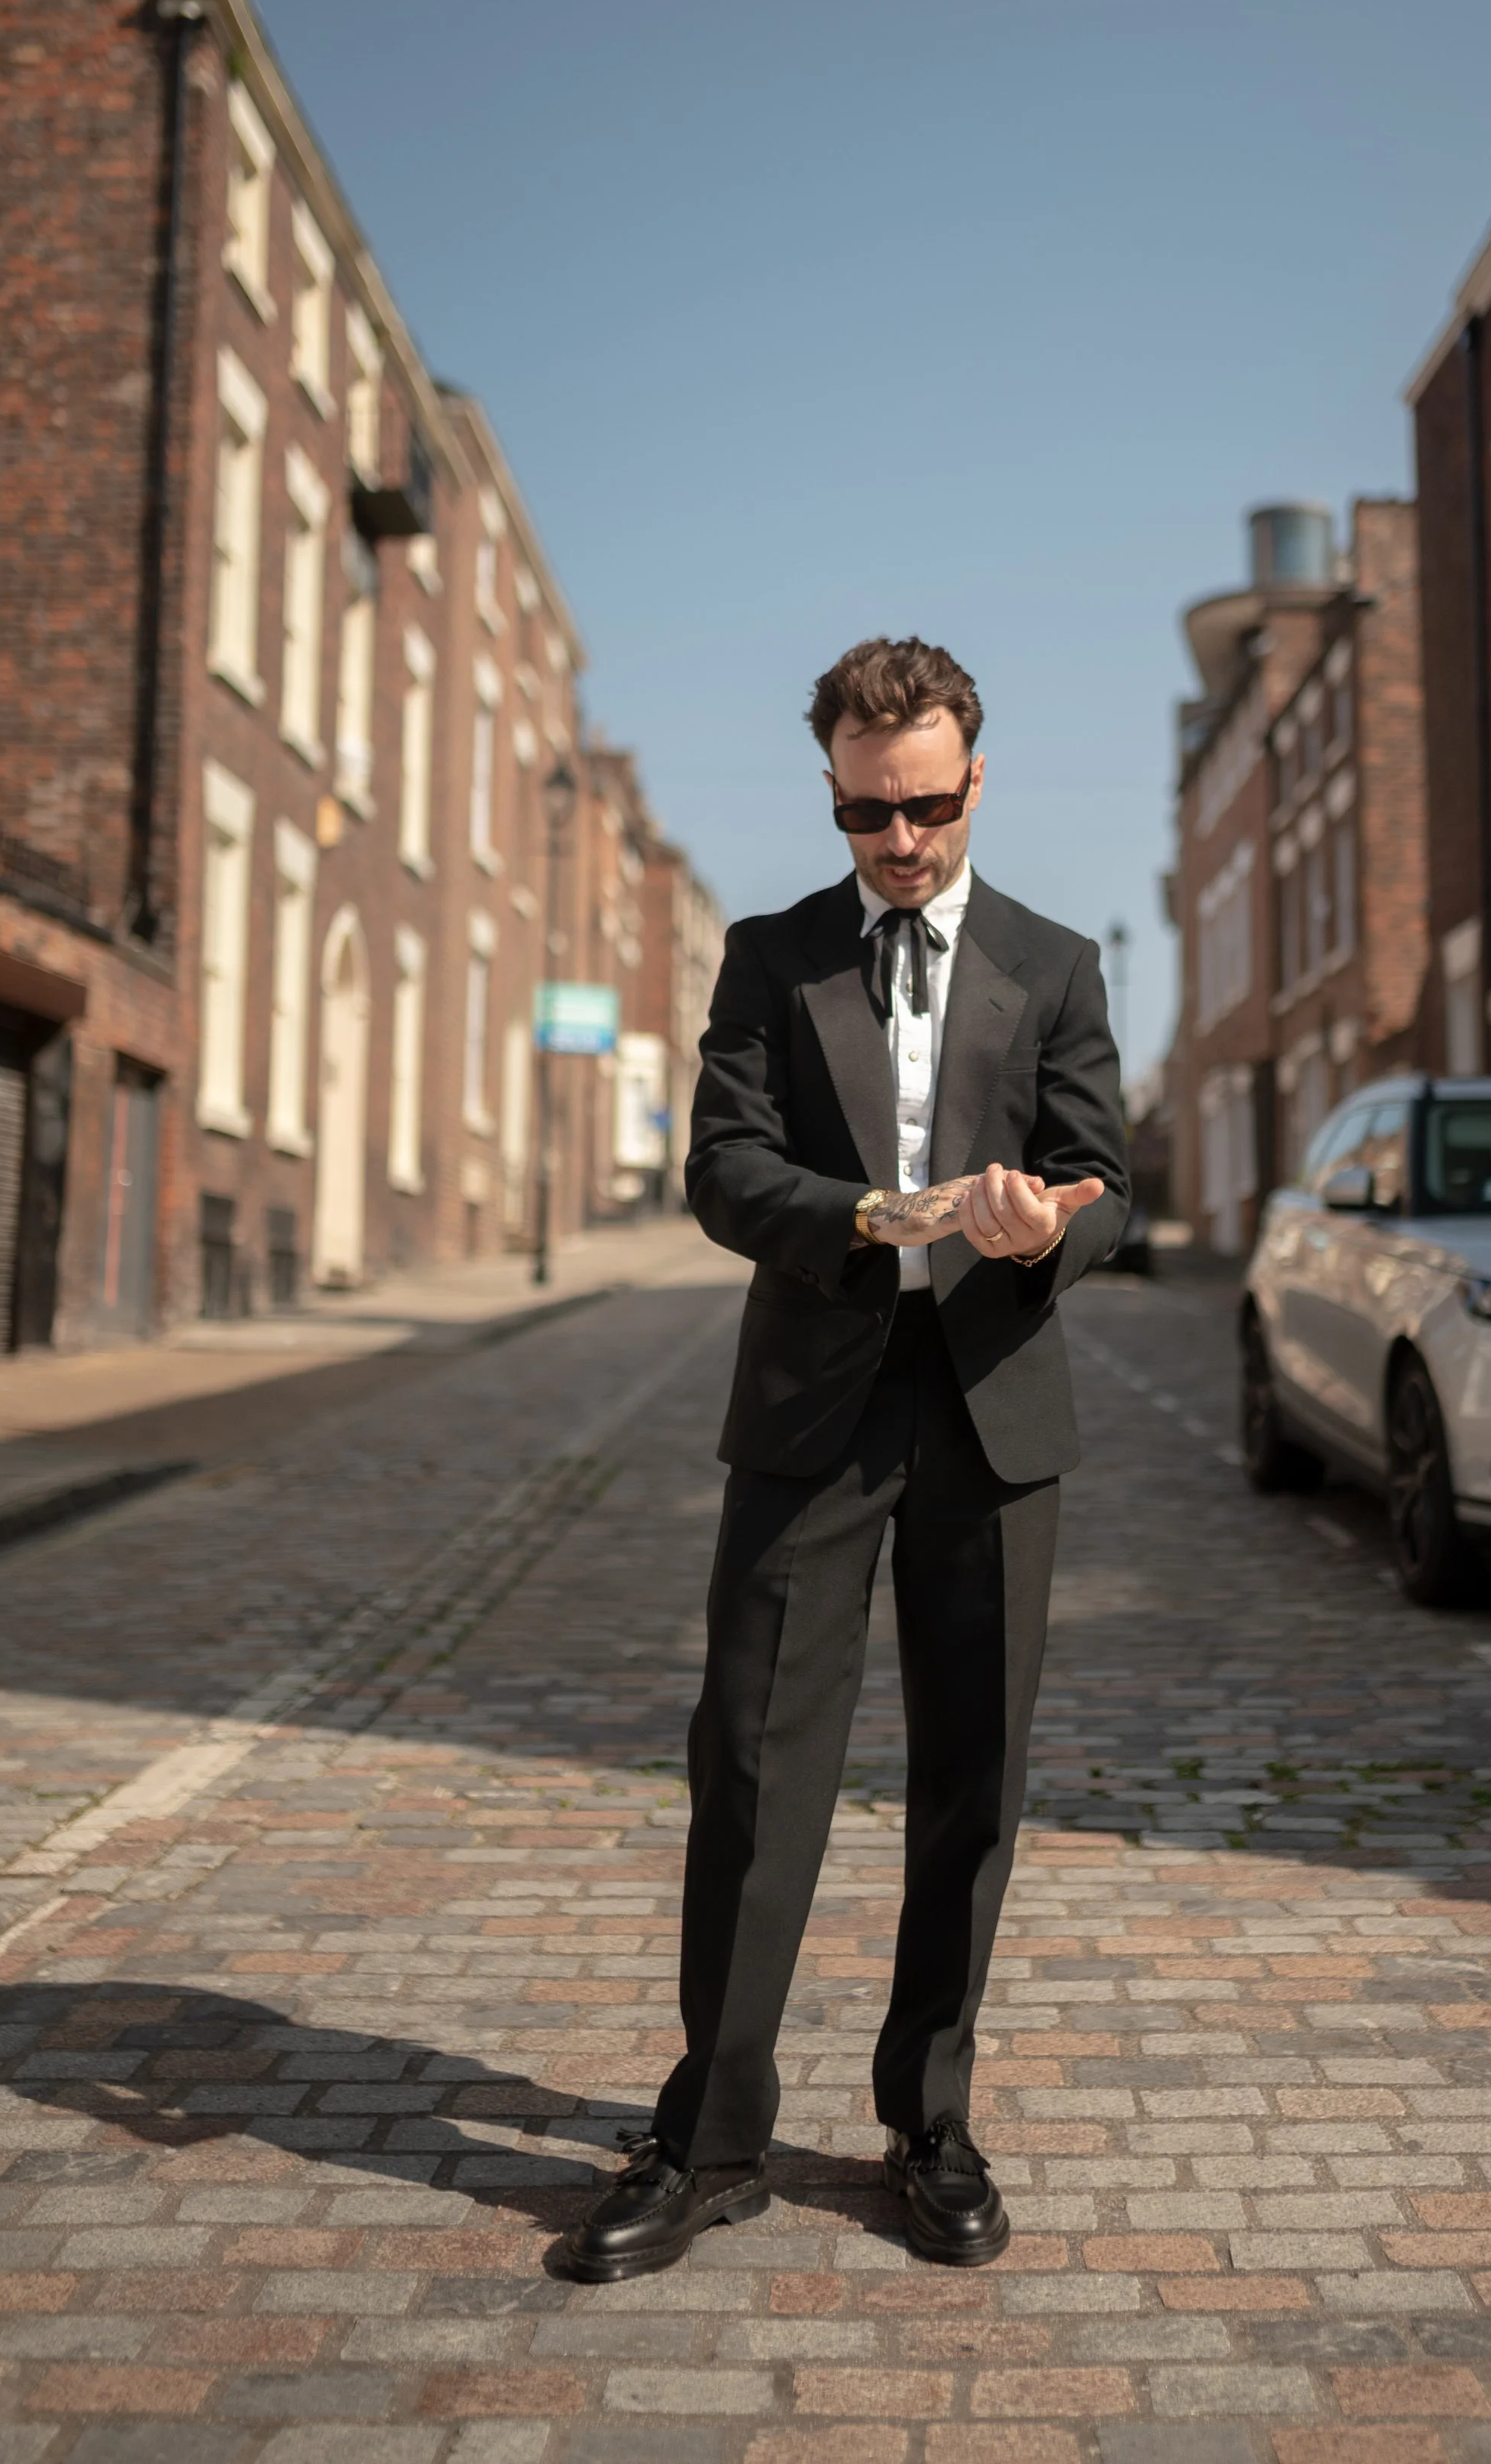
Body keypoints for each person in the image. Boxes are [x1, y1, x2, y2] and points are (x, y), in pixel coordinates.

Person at [557, 635, 1128, 2283]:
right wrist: (870, 1217)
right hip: (810, 1409)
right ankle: (711, 2137)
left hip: (991, 1410)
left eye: (928, 809)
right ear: (832, 793)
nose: (901, 845)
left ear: (971, 780)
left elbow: (1107, 1176)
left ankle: (928, 2120)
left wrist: (1040, 1230)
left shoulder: (1056, 964)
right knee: (748, 1766)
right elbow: (723, 1173)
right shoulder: (768, 957)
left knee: (974, 1780)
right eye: (868, 817)